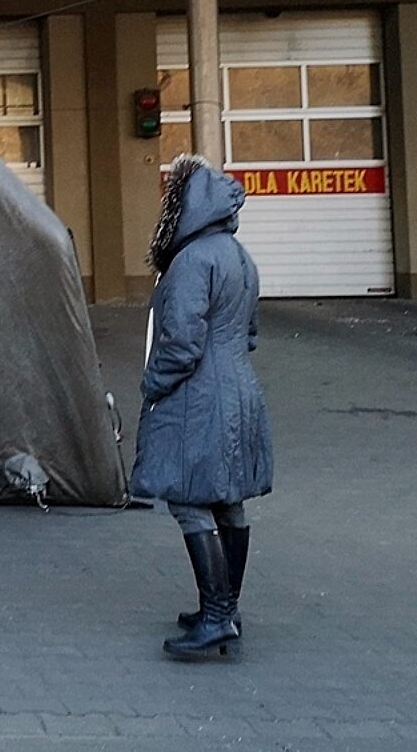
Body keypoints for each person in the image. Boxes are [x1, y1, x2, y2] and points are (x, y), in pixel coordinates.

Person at [132, 154, 273, 661]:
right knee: (227, 499)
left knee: (190, 498)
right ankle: (226, 610)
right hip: (240, 389)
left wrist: (153, 385)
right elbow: (249, 333)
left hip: (199, 396)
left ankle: (216, 617)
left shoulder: (192, 261)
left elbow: (181, 343)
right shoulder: (240, 257)